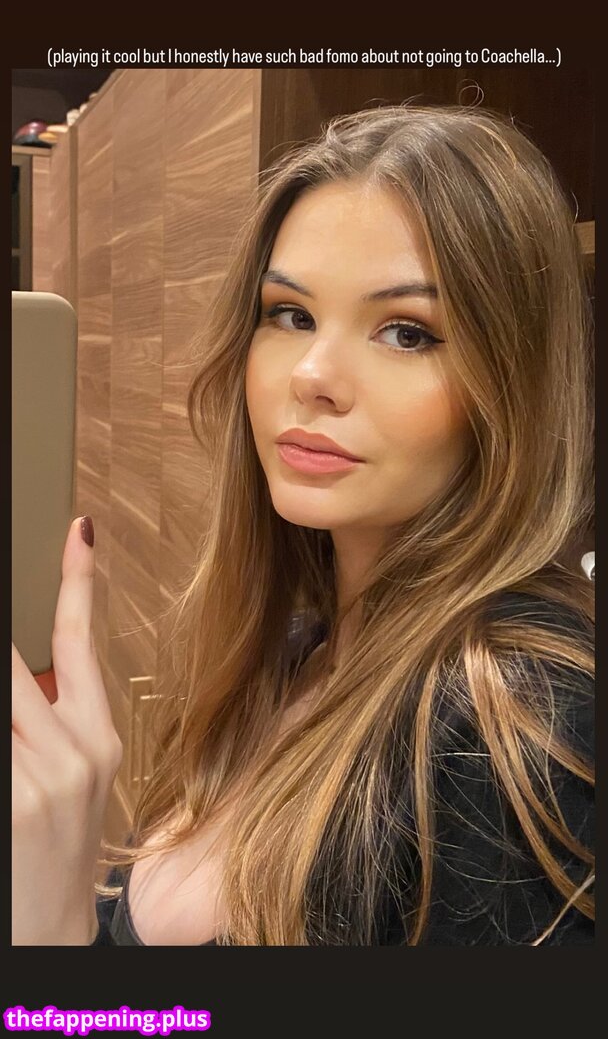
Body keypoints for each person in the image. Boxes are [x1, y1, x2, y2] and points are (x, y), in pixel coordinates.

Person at [12, 103, 594, 946]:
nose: (313, 374)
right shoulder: (295, 652)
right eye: (290, 314)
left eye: (407, 333)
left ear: (513, 385)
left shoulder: (524, 728)